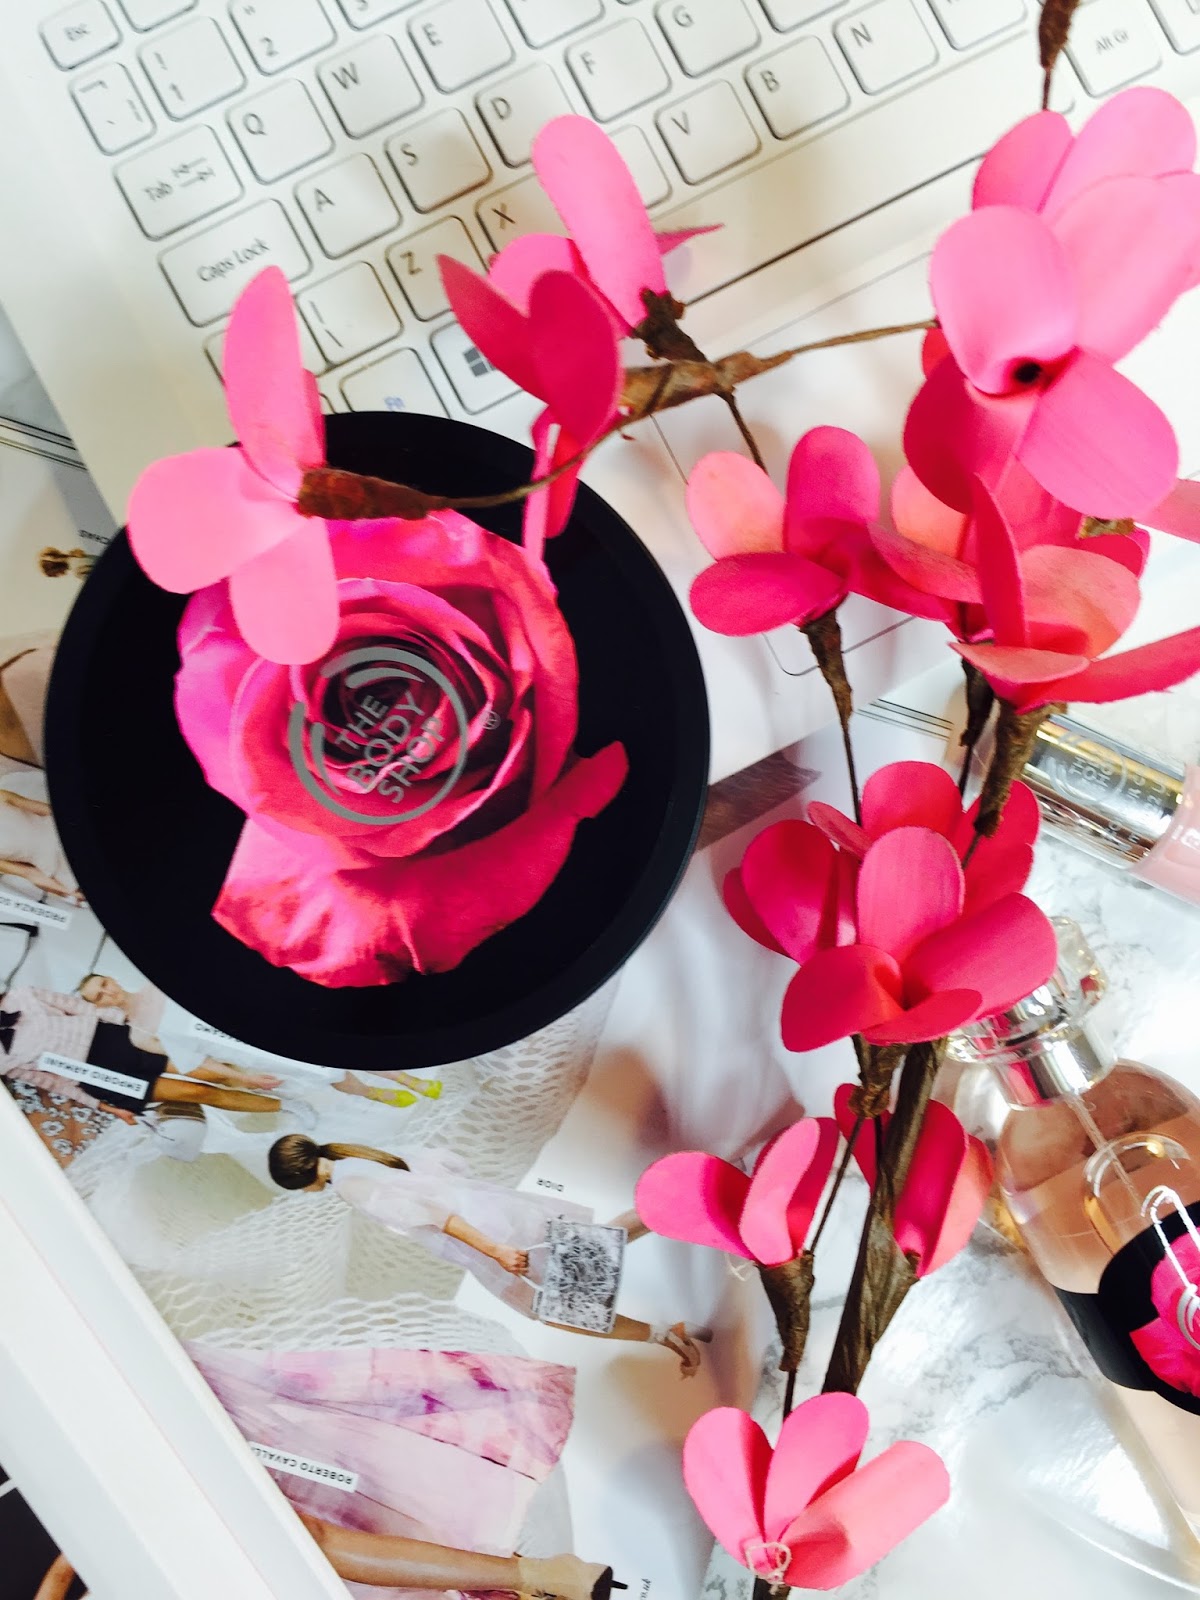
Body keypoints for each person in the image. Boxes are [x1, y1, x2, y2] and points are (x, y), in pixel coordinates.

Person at [189, 1342, 616, 1600]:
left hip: (233, 1448)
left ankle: (539, 1577)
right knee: (362, 1512)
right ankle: (535, 1577)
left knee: (332, 1529)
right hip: (244, 1439)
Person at [267, 1138, 709, 1375]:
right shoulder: (354, 1157)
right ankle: (688, 1194)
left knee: (558, 1307)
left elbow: (436, 1216)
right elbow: (441, 1167)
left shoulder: (351, 1186)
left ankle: (665, 1333)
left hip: (487, 1235)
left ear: (300, 1180)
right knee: (591, 1249)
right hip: (493, 1214)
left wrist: (495, 1251)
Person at [1, 984, 292, 1126]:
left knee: (210, 1070)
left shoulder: (22, 995)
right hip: (97, 1078)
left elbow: (84, 1008)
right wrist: (106, 1108)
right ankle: (288, 1108)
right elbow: (53, 1083)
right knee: (198, 1093)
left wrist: (135, 1021)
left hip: (113, 1039)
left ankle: (284, 1084)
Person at [0, 783, 81, 903]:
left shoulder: (1, 796)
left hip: (65, 832)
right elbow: (30, 873)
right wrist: (70, 893)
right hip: (58, 865)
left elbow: (48, 810)